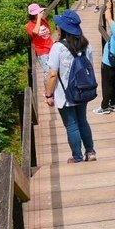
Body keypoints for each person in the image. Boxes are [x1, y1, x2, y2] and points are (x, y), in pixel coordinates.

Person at [44, 10, 97, 163]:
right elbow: (91, 68)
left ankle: (77, 157)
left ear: (63, 28)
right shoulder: (87, 45)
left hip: (65, 94)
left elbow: (52, 74)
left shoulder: (58, 48)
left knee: (72, 125)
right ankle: (90, 151)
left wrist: (49, 95)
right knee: (83, 121)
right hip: (82, 90)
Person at [25, 3, 53, 77]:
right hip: (42, 51)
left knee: (55, 70)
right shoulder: (29, 25)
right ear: (34, 14)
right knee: (47, 72)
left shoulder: (43, 21)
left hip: (51, 48)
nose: (42, 13)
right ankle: (48, 88)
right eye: (39, 12)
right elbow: (35, 32)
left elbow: (49, 32)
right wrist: (39, 19)